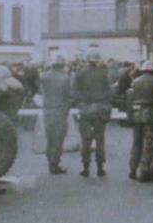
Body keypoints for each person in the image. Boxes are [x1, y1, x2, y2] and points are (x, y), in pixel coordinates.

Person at [72, 48, 112, 177]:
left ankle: (85, 167)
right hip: (100, 109)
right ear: (98, 60)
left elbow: (74, 92)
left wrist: (81, 102)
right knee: (100, 139)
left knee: (86, 140)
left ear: (87, 59)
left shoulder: (79, 74)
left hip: (85, 109)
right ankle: (100, 168)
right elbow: (109, 92)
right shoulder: (104, 73)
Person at [127, 60, 153, 182]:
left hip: (137, 114)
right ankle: (144, 171)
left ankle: (132, 169)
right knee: (149, 143)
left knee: (136, 142)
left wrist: (129, 114)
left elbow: (129, 98)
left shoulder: (135, 81)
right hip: (150, 115)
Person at [40, 53, 71, 174]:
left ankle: (50, 161)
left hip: (47, 109)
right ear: (62, 65)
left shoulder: (44, 76)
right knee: (58, 138)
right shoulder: (65, 78)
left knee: (50, 137)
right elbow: (69, 95)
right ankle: (54, 163)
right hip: (60, 110)